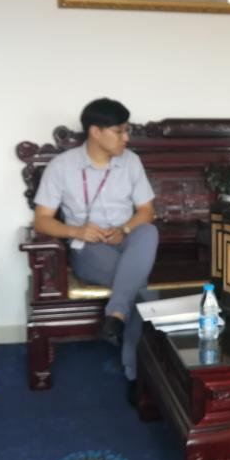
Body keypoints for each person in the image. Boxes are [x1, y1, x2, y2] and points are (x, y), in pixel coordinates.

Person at [32, 98, 158, 388]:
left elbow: (146, 211)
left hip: (126, 240)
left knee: (148, 232)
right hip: (88, 248)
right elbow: (41, 221)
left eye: (127, 131)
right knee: (139, 285)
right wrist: (76, 231)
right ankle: (135, 373)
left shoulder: (131, 161)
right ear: (95, 132)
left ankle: (115, 315)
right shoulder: (62, 166)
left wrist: (124, 229)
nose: (126, 138)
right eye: (119, 131)